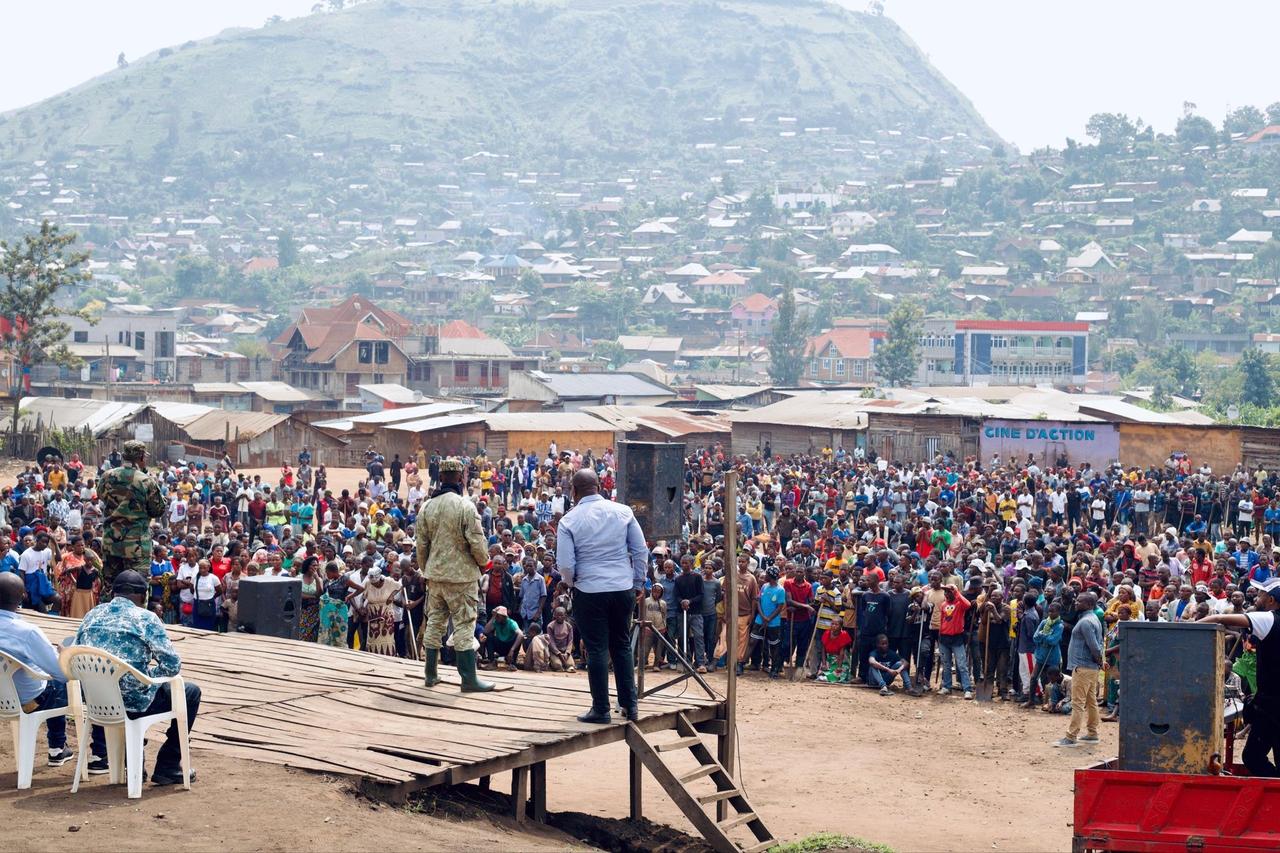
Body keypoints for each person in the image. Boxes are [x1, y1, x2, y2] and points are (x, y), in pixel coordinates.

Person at [76, 570, 202, 784]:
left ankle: (134, 764)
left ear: (113, 593)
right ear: (143, 596)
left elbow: (76, 653)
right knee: (190, 692)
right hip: (134, 703)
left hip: (97, 701)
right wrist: (143, 676)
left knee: (128, 685)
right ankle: (168, 765)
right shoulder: (146, 618)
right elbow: (172, 665)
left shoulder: (92, 614)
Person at [557, 468, 646, 724]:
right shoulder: (623, 511)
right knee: (621, 645)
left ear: (574, 491)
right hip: (622, 587)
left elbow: (566, 564)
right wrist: (638, 582)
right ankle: (630, 706)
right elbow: (640, 550)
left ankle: (601, 710)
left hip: (589, 590)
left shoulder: (569, 521)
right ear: (599, 487)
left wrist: (572, 583)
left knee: (596, 649)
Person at [416, 458, 495, 691]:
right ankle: (468, 679)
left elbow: (421, 545)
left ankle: (431, 674)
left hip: (435, 577)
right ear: (461, 478)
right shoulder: (465, 506)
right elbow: (477, 542)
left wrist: (426, 570)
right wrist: (483, 563)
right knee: (464, 624)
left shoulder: (426, 507)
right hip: (461, 578)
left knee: (434, 622)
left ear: (440, 477)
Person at [1201, 577, 1280, 776]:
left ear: (1271, 600)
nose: (1257, 598)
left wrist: (1188, 628)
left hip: (1272, 705)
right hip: (1271, 704)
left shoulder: (1270, 618)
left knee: (1252, 757)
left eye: (1261, 594)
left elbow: (1220, 619)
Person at [0, 572, 74, 766]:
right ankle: (57, 748)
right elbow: (60, 673)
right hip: (28, 702)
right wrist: (63, 655)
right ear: (23, 597)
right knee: (58, 683)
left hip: (2, 698)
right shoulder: (27, 632)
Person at [100, 441, 165, 593]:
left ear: (123, 456)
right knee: (138, 589)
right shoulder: (146, 480)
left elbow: (102, 496)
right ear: (141, 457)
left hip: (111, 542)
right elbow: (158, 510)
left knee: (110, 588)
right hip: (137, 546)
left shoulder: (107, 476)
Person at [1055, 591, 1103, 748]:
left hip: (1083, 667)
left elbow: (1094, 646)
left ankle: (1071, 736)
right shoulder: (1092, 619)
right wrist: (1098, 663)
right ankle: (1092, 733)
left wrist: (1099, 661)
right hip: (1090, 668)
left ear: (1088, 604)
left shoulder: (1086, 622)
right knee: (1091, 701)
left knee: (1077, 702)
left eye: (1079, 601)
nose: (1076, 602)